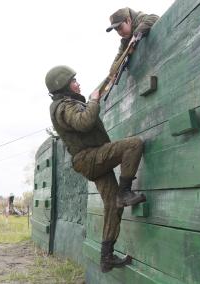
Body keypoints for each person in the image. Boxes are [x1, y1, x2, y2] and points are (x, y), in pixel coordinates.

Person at [45, 65, 146, 273]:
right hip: (89, 157)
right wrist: (93, 100)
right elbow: (84, 122)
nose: (77, 83)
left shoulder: (67, 103)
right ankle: (125, 192)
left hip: (90, 159)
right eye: (73, 81)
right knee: (133, 144)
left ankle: (106, 258)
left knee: (113, 204)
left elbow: (103, 85)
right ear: (63, 85)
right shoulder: (64, 106)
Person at [105, 7, 159, 77]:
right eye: (117, 30)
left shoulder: (140, 20)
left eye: (120, 28)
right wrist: (112, 74)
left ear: (129, 20)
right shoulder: (125, 40)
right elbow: (119, 56)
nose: (120, 33)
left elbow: (154, 18)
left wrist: (135, 35)